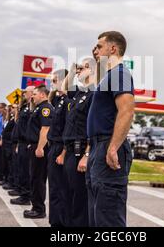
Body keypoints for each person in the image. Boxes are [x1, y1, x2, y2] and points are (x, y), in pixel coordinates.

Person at [86, 31, 135, 227]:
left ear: (112, 48)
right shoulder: (107, 76)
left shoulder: (120, 73)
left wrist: (113, 147)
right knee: (96, 215)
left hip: (108, 145)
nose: (95, 50)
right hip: (98, 147)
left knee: (108, 217)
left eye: (99, 46)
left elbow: (126, 111)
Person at [63, 58, 96, 227]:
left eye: (84, 67)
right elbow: (64, 88)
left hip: (81, 151)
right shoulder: (80, 93)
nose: (80, 70)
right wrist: (72, 69)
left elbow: (92, 127)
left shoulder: (93, 95)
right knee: (70, 195)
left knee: (80, 199)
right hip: (70, 150)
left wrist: (87, 155)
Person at [24, 84, 53, 219]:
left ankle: (39, 209)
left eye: (34, 94)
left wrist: (40, 147)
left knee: (38, 179)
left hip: (40, 147)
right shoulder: (38, 108)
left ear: (42, 94)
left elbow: (45, 129)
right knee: (34, 178)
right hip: (35, 146)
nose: (32, 97)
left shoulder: (45, 108)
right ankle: (35, 206)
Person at [46, 69, 70, 227]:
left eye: (55, 81)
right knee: (53, 188)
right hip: (52, 147)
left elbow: (68, 129)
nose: (52, 84)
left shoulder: (68, 100)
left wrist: (63, 152)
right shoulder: (58, 100)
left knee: (60, 190)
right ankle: (54, 222)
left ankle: (59, 224)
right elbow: (49, 100)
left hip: (61, 148)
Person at [10, 86, 34, 206]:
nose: (23, 94)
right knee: (21, 169)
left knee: (26, 171)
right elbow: (18, 123)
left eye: (26, 92)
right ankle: (22, 192)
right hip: (21, 142)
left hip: (27, 142)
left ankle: (26, 196)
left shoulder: (33, 107)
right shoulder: (24, 107)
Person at [0, 105, 16, 190]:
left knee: (10, 164)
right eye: (10, 108)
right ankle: (6, 179)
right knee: (5, 162)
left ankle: (10, 182)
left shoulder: (15, 119)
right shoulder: (11, 118)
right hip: (6, 143)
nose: (10, 110)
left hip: (10, 143)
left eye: (13, 108)